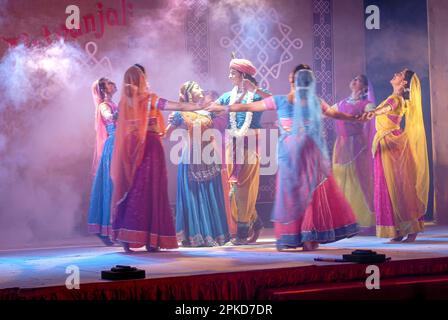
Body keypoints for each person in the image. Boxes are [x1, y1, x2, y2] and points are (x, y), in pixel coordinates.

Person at [207, 64, 359, 251]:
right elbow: (335, 114)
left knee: (300, 194)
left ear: (292, 80)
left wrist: (226, 107)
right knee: (300, 193)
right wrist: (355, 118)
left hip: (302, 155)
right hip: (296, 155)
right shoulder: (301, 101)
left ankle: (307, 235)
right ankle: (306, 237)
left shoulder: (294, 101)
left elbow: (249, 106)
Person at [110, 64, 205, 252]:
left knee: (134, 190)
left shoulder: (123, 103)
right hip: (150, 148)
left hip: (130, 149)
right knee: (152, 190)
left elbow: (118, 124)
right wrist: (197, 107)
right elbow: (173, 105)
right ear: (141, 79)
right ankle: (152, 239)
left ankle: (128, 238)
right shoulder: (149, 99)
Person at [364, 69, 429, 242]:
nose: (395, 74)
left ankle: (411, 228)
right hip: (387, 144)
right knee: (392, 187)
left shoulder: (396, 99)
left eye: (399, 74)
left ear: (404, 83)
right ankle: (399, 230)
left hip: (391, 146)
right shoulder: (396, 98)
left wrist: (374, 112)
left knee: (399, 187)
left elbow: (387, 108)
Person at [215, 58, 271, 245]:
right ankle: (256, 222)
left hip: (250, 145)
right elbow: (213, 110)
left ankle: (241, 234)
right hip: (232, 146)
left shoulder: (255, 97)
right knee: (234, 190)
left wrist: (254, 89)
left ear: (243, 75)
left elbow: (273, 100)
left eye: (233, 72)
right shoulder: (227, 96)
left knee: (244, 189)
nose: (229, 75)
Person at [168, 81, 230, 247]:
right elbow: (166, 134)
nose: (201, 89)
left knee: (209, 193)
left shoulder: (207, 112)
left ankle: (214, 234)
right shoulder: (181, 113)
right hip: (191, 157)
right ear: (188, 93)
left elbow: (226, 113)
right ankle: (197, 235)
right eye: (196, 87)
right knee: (196, 195)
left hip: (209, 156)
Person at [331, 75, 376, 233]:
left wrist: (368, 115)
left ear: (364, 87)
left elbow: (373, 114)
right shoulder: (341, 104)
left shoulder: (367, 104)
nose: (354, 81)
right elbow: (326, 112)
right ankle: (343, 219)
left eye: (358, 80)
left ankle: (360, 219)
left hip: (357, 144)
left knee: (357, 179)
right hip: (341, 145)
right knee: (340, 179)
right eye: (354, 79)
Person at [87, 77, 118, 246]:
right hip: (113, 146)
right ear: (104, 90)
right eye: (109, 83)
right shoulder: (104, 106)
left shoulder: (114, 104)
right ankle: (109, 229)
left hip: (120, 144)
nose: (113, 83)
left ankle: (117, 228)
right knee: (112, 186)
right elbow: (110, 118)